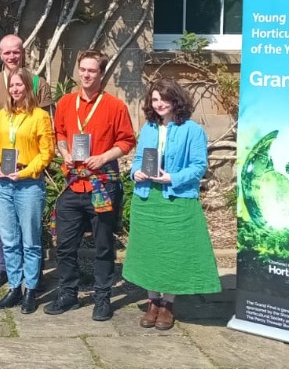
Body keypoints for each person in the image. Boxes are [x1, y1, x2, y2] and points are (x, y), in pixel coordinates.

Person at [44, 49, 135, 321]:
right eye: (82, 69)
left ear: (101, 73)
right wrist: (64, 152)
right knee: (65, 244)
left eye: (92, 70)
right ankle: (68, 294)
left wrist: (103, 157)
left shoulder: (115, 106)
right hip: (73, 184)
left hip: (101, 185)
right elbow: (60, 133)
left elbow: (127, 141)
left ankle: (102, 297)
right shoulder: (65, 102)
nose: (86, 75)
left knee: (104, 245)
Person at [124, 78, 220, 330]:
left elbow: (199, 166)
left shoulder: (193, 130)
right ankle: (152, 301)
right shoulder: (149, 128)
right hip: (147, 199)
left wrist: (173, 178)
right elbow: (138, 158)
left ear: (176, 99)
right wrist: (135, 172)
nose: (159, 104)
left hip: (177, 199)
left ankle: (167, 304)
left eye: (164, 99)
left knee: (174, 252)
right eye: (155, 99)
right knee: (150, 251)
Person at [0, 34, 52, 289]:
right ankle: (5, 271)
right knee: (3, 224)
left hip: (28, 169)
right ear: (0, 54)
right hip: (1, 167)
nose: (11, 56)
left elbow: (46, 126)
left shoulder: (38, 83)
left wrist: (33, 168)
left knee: (30, 229)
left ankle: (33, 278)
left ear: (23, 53)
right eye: (7, 52)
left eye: (16, 52)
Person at [0, 68, 55, 314]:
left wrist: (25, 172)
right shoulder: (4, 115)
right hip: (4, 183)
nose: (15, 89)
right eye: (12, 86)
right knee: (9, 240)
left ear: (27, 87)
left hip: (28, 184)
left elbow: (46, 152)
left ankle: (31, 289)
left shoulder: (39, 116)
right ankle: (14, 286)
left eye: (19, 85)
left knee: (30, 241)